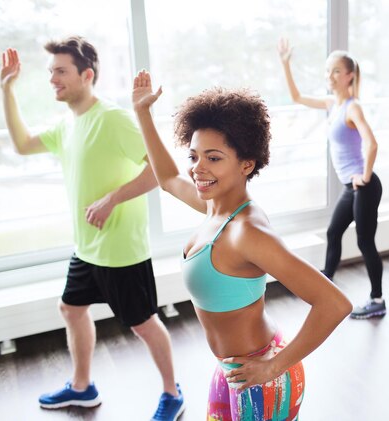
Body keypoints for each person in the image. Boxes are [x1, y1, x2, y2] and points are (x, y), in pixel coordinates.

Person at [132, 70, 352, 421]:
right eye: (194, 156)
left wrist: (273, 367)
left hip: (261, 376)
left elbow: (335, 303)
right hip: (232, 370)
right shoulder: (214, 207)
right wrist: (142, 114)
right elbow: (169, 179)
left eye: (214, 158)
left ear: (246, 164)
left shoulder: (246, 232)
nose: (198, 169)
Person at [0, 37, 184, 421]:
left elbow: (161, 170)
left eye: (61, 71)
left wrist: (114, 197)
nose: (53, 79)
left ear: (87, 75)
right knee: (70, 308)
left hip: (122, 251)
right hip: (87, 249)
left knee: (144, 325)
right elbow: (20, 144)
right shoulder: (68, 124)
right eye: (51, 71)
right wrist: (7, 89)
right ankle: (83, 388)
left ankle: (172, 393)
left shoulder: (112, 118)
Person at [277, 38, 385, 320]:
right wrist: (285, 64)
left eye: (336, 71)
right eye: (328, 71)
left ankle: (377, 299)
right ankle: (325, 286)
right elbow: (297, 98)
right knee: (334, 232)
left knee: (365, 242)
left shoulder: (352, 107)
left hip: (365, 186)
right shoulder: (331, 104)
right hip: (352, 188)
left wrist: (365, 175)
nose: (330, 76)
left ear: (349, 75)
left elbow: (371, 144)